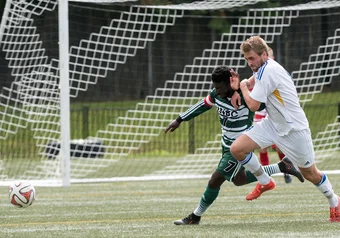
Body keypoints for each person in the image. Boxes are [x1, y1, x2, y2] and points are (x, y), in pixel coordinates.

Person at [165, 66, 304, 225]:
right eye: (215, 87)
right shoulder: (216, 95)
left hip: (240, 146)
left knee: (215, 180)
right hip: (226, 145)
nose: (217, 91)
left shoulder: (245, 97)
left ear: (230, 83)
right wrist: (179, 119)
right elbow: (202, 105)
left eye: (220, 87)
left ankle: (195, 216)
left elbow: (265, 104)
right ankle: (281, 167)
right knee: (239, 180)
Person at [229, 35, 340, 222]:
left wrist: (242, 88)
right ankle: (265, 182)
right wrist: (241, 88)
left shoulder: (268, 71)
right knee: (237, 149)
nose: (249, 63)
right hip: (272, 124)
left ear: (264, 54)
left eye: (252, 58)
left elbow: (254, 105)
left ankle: (334, 200)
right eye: (246, 59)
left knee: (310, 173)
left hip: (294, 130)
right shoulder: (264, 66)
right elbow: (255, 79)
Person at [254, 47, 292, 183]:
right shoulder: (257, 75)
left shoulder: (276, 72)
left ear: (271, 58)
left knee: (280, 145)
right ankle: (265, 176)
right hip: (260, 114)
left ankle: (287, 169)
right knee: (262, 147)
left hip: (275, 115)